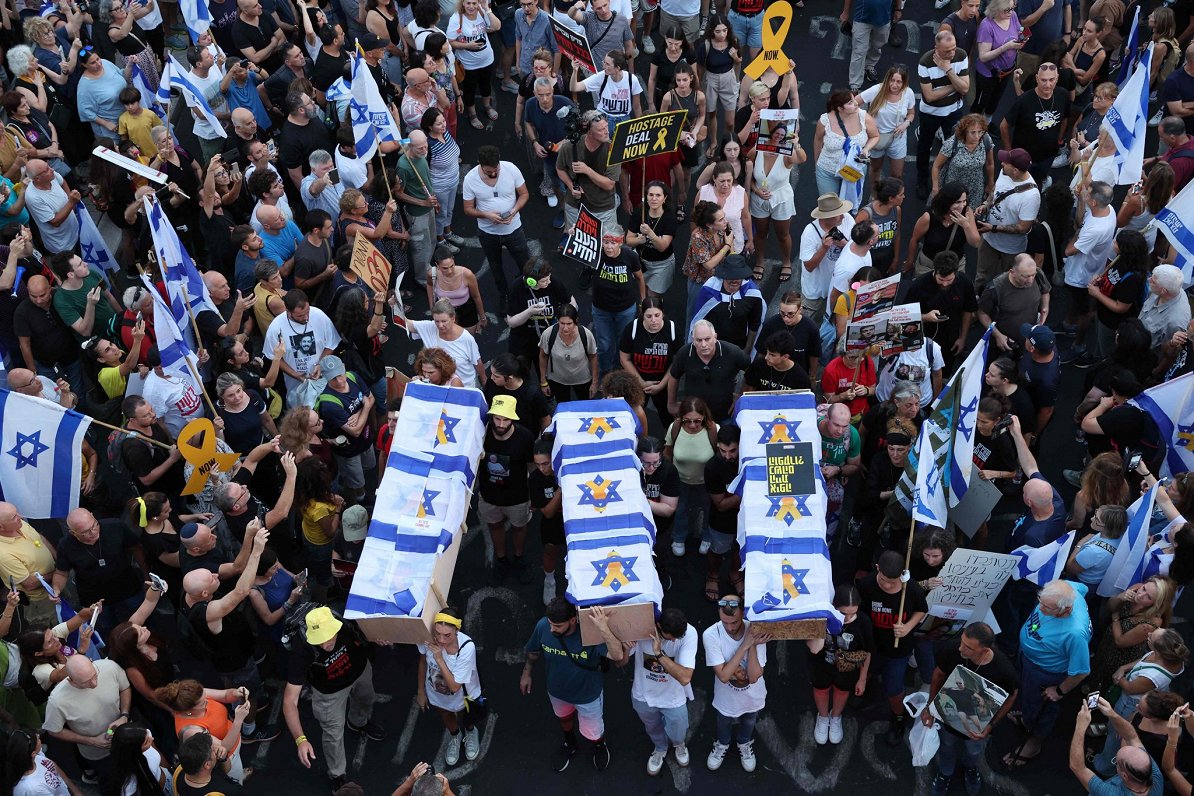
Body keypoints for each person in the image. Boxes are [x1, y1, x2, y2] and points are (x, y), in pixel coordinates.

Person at [284, 606, 386, 792]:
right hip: (329, 692)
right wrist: (301, 740)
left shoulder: (346, 618)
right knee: (332, 733)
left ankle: (357, 722)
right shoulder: (302, 649)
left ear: (336, 626)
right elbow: (289, 701)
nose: (325, 645)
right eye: (319, 641)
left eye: (328, 637)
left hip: (359, 670)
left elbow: (368, 625)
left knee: (367, 698)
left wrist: (377, 635)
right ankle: (337, 774)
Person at [521, 598, 623, 771]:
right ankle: (570, 741)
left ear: (573, 620)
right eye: (551, 624)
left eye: (558, 626)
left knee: (594, 729)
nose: (552, 629)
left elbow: (618, 655)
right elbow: (533, 651)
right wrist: (526, 672)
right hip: (557, 691)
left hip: (587, 695)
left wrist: (603, 627)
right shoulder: (543, 626)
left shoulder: (591, 633)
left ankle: (599, 745)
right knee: (564, 717)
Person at [1002, 578, 1092, 769]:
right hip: (1028, 659)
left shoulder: (1075, 634)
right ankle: (1027, 717)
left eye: (1047, 607)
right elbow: (1083, 587)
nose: (1040, 608)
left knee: (1042, 709)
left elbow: (1082, 671)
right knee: (1029, 699)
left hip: (1045, 673)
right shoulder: (1068, 588)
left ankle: (1034, 743)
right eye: (1040, 601)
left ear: (1066, 610)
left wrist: (1059, 691)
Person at [924, 622, 1020, 796]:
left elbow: (1012, 695)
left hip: (978, 722)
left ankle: (969, 767)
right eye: (961, 641)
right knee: (947, 744)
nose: (960, 649)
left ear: (984, 650)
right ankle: (945, 772)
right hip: (949, 712)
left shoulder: (1004, 670)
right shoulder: (952, 649)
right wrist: (929, 707)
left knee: (974, 749)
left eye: (968, 647)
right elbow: (938, 674)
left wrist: (991, 725)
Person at [861, 549, 928, 746]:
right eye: (883, 579)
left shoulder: (912, 589)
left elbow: (922, 610)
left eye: (892, 581)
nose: (887, 585)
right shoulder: (866, 584)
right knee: (868, 671)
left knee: (894, 688)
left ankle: (899, 717)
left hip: (898, 651)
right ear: (877, 568)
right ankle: (864, 688)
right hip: (872, 645)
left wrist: (908, 626)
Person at [42, 654, 132, 786]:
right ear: (70, 680)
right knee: (112, 782)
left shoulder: (109, 667)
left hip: (125, 739)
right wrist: (92, 741)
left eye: (95, 675)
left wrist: (124, 715)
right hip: (98, 754)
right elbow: (54, 731)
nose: (94, 683)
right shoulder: (57, 701)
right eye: (85, 682)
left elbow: (125, 688)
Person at [703, 592, 769, 772]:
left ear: (743, 614)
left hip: (752, 695)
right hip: (726, 697)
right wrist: (746, 645)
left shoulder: (756, 630)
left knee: (749, 720)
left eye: (734, 622)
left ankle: (744, 743)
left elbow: (754, 676)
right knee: (723, 721)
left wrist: (754, 643)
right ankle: (722, 744)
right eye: (725, 622)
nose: (730, 628)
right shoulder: (710, 634)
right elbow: (723, 677)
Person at [462, 145, 530, 302]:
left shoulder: (511, 169)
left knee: (525, 263)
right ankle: (504, 295)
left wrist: (514, 210)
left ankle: (528, 290)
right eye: (488, 171)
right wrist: (486, 215)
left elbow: (524, 194)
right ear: (480, 163)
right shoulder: (470, 179)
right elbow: (467, 209)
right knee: (495, 267)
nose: (493, 173)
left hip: (513, 229)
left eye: (496, 170)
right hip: (488, 233)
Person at [480, 396, 536, 585]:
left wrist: (532, 493)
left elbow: (531, 465)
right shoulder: (481, 433)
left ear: (513, 418)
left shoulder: (525, 437)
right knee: (495, 525)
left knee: (519, 527)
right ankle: (502, 559)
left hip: (517, 496)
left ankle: (519, 557)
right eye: (497, 418)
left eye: (505, 419)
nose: (501, 424)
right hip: (489, 495)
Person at [916, 30, 971, 199]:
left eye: (953, 48)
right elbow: (930, 97)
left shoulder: (961, 56)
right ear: (936, 48)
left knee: (953, 146)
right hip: (930, 113)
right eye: (947, 51)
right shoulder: (925, 62)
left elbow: (966, 88)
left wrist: (948, 69)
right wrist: (955, 85)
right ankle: (921, 179)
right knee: (924, 146)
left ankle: (948, 179)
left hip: (954, 111)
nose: (952, 53)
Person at [1072, 698, 1166, 795]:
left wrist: (1080, 726)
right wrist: (1111, 714)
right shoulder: (1155, 776)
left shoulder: (1111, 793)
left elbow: (1078, 767)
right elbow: (1132, 738)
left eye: (1116, 761)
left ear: (1125, 776)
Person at [588, 225, 646, 376]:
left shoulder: (630, 256)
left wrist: (643, 301)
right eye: (606, 242)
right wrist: (574, 234)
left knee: (622, 342)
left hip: (625, 309)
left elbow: (640, 277)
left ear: (620, 242)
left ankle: (618, 369)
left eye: (613, 243)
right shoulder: (596, 254)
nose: (608, 247)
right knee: (604, 344)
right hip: (601, 309)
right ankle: (605, 371)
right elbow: (577, 250)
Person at [1000, 62, 1070, 184]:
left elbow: (1065, 117)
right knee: (1017, 183)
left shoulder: (1062, 95)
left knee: (1039, 179)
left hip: (1049, 154)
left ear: (1057, 78)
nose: (1048, 85)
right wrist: (1009, 153)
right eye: (1043, 80)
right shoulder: (1024, 100)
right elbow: (1003, 126)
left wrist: (1059, 139)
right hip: (1024, 156)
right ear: (1037, 79)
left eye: (1051, 80)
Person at [666, 320, 749, 422]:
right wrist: (671, 403)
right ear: (693, 340)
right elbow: (674, 376)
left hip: (724, 414)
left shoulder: (732, 352)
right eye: (699, 340)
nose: (703, 344)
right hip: (693, 417)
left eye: (707, 339)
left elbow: (751, 372)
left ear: (715, 337)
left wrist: (741, 397)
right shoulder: (684, 353)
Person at [906, 252, 976, 370]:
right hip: (924, 337)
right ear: (935, 270)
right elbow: (905, 315)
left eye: (949, 280)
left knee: (946, 367)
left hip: (951, 337)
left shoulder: (965, 282)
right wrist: (925, 317)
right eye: (941, 279)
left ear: (956, 272)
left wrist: (963, 338)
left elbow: (968, 310)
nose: (944, 283)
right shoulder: (919, 285)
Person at [393, 299, 485, 389]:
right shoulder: (430, 327)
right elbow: (406, 323)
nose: (440, 325)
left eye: (444, 321)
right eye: (437, 321)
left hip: (465, 385)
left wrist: (484, 380)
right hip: (439, 385)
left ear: (453, 318)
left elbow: (477, 362)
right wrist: (394, 306)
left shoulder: (466, 339)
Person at [263, 289, 342, 393]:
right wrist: (294, 374)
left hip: (324, 380)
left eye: (308, 312)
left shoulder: (319, 315)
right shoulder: (276, 328)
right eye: (300, 315)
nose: (306, 317)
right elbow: (274, 357)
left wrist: (320, 364)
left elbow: (331, 343)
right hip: (296, 388)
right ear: (288, 311)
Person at [555, 110, 620, 231]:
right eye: (601, 130)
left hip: (603, 208)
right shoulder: (569, 147)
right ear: (589, 132)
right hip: (575, 207)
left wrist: (587, 170)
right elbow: (560, 169)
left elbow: (609, 184)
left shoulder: (613, 149)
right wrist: (570, 186)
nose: (607, 132)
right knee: (576, 244)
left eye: (606, 127)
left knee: (608, 245)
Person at [799, 195, 856, 326]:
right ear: (826, 216)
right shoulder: (809, 233)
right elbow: (808, 266)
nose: (842, 216)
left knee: (835, 321)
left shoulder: (847, 219)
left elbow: (855, 249)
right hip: (816, 290)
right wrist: (824, 248)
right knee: (806, 323)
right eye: (837, 214)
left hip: (839, 286)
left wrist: (844, 244)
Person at [0, 502, 60, 626]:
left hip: (56, 582)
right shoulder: (3, 554)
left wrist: (58, 561)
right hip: (42, 601)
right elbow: (29, 584)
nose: (20, 516)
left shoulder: (19, 525)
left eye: (17, 512)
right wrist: (59, 572)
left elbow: (40, 538)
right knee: (54, 629)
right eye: (14, 517)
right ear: (1, 527)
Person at [976, 255, 1050, 354]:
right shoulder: (995, 288)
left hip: (1029, 339)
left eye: (1033, 275)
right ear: (1012, 272)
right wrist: (998, 335)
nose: (1031, 280)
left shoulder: (1038, 274)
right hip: (1005, 342)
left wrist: (1045, 308)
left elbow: (1045, 291)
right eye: (1026, 276)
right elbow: (982, 313)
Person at [813, 90, 879, 197]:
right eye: (850, 102)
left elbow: (875, 136)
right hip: (828, 170)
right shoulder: (825, 120)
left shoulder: (863, 117)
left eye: (854, 100)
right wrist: (817, 162)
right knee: (830, 207)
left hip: (854, 169)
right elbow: (818, 139)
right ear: (840, 108)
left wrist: (866, 149)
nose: (856, 103)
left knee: (849, 205)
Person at [538, 304, 599, 401]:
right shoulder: (548, 334)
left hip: (582, 379)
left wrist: (595, 382)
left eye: (569, 324)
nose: (565, 328)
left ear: (576, 321)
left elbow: (593, 357)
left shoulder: (586, 334)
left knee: (585, 407)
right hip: (557, 380)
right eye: (562, 323)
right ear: (557, 320)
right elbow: (543, 356)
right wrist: (543, 381)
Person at [24, 160, 81, 255]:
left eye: (48, 166)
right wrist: (71, 203)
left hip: (75, 231)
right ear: (37, 179)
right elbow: (55, 222)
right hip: (63, 245)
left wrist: (69, 200)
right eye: (46, 170)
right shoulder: (33, 197)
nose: (52, 169)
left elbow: (63, 182)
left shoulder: (51, 176)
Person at [744, 331, 812, 392]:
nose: (766, 357)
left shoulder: (801, 378)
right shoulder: (759, 364)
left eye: (772, 355)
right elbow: (749, 388)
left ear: (785, 357)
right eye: (767, 352)